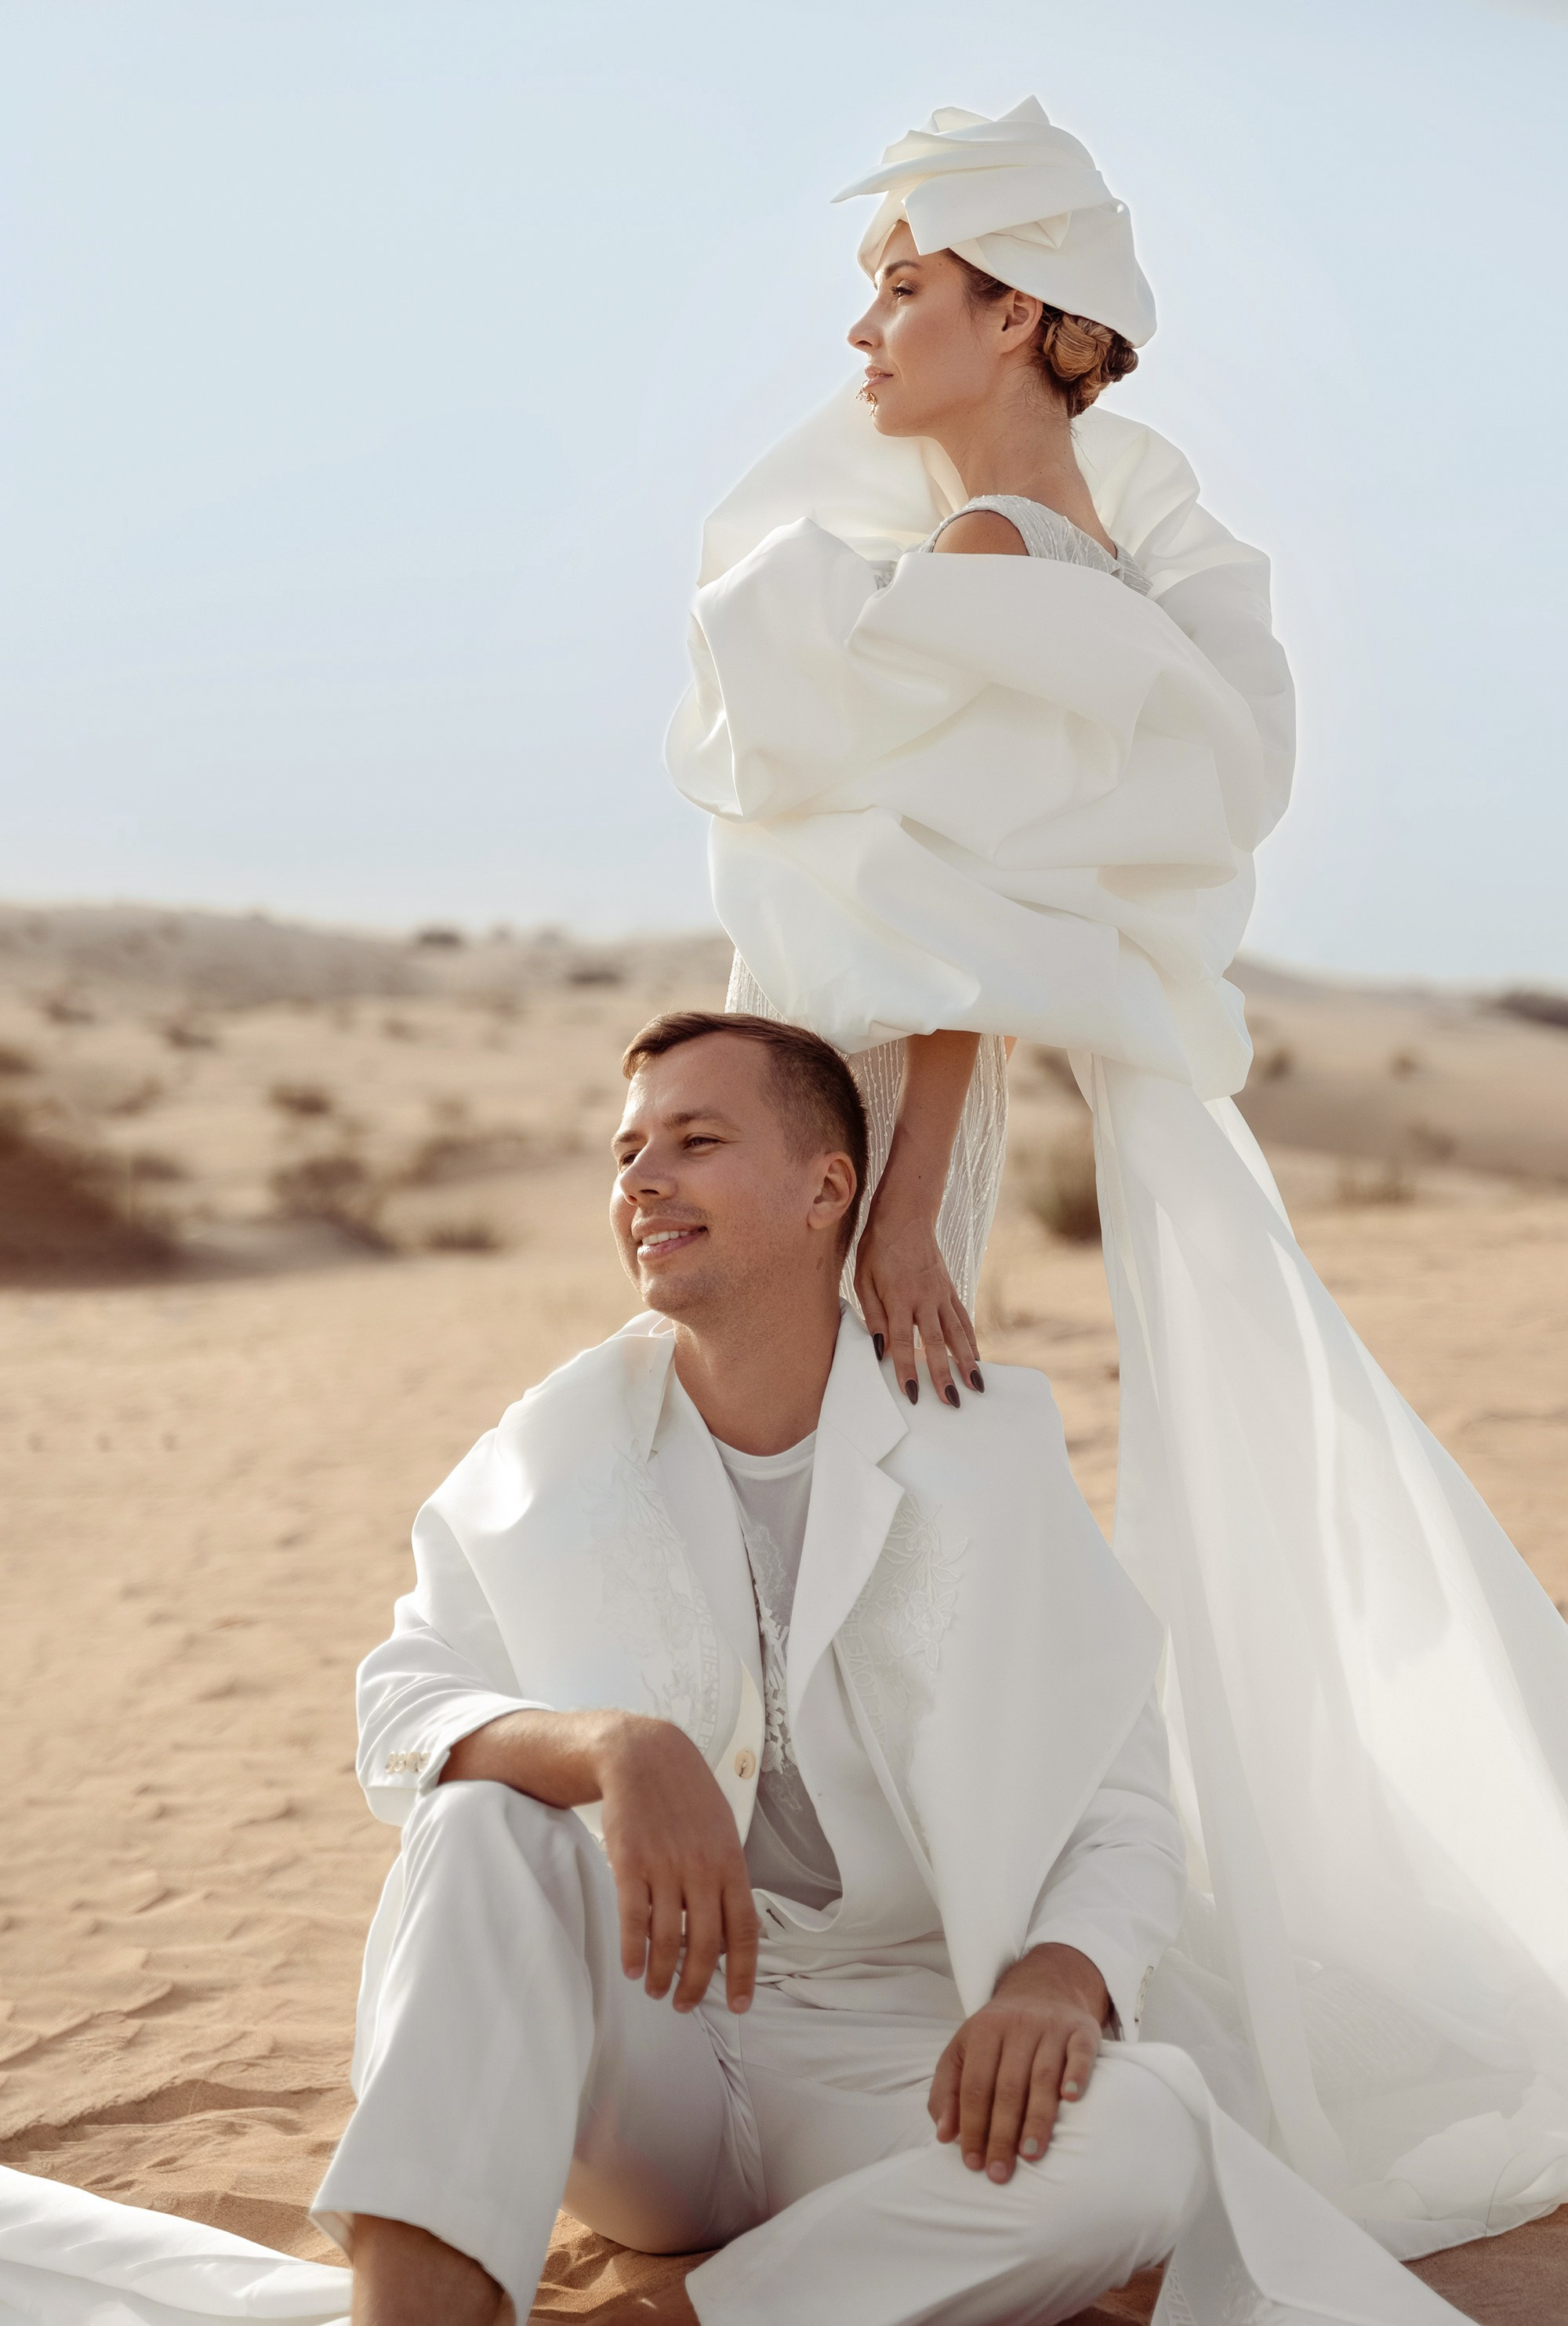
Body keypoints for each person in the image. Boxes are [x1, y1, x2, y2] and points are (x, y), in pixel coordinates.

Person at [667, 96, 1568, 2262]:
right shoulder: (1051, 544)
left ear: (1023, 317)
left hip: (861, 1124)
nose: (863, 330)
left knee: (831, 1514)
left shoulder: (998, 555)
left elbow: (967, 923)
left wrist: (897, 1205)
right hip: (850, 1101)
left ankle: (868, 1992)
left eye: (907, 287)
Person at [312, 1010, 1462, 2326]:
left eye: (695, 1141)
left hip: (899, 2066)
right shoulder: (557, 1439)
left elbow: (1122, 1803)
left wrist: (1058, 1977)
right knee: (475, 1825)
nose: (642, 1182)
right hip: (648, 2048)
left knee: (1152, 2132)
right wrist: (611, 1748)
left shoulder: (983, 1448)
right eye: (627, 1153)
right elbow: (399, 1703)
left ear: (828, 1188)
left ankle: (706, 2317)